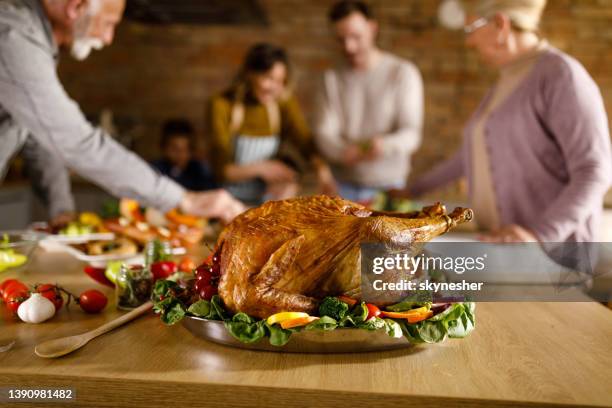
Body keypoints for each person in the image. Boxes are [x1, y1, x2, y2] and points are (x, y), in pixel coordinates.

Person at [0, 0, 244, 223]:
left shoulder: (30, 38)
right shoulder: (12, 36)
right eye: (108, 24)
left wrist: (61, 210)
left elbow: (39, 133)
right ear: (76, 7)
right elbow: (77, 141)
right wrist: (185, 200)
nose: (108, 38)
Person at [404, 0, 611, 243]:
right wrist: (412, 190)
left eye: (470, 30)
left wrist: (539, 235)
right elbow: (470, 154)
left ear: (500, 24)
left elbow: (594, 170)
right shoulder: (507, 79)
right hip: (507, 249)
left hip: (553, 258)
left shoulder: (561, 75)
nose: (469, 41)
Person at [314, 0, 424, 203]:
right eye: (341, 39)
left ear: (372, 28)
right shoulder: (330, 78)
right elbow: (323, 133)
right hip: (340, 188)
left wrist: (384, 145)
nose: (349, 46)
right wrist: (342, 152)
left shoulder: (402, 73)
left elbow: (412, 134)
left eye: (356, 37)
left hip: (390, 188)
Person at [207, 42, 335, 205]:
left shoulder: (282, 102)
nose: (275, 88)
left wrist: (322, 170)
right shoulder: (222, 104)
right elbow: (221, 171)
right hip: (228, 201)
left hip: (267, 202)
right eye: (268, 78)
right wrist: (263, 168)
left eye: (281, 81)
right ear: (249, 73)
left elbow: (304, 141)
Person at [151, 119, 217, 192]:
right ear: (163, 147)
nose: (180, 154)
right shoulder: (155, 171)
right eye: (174, 149)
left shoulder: (200, 171)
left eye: (185, 149)